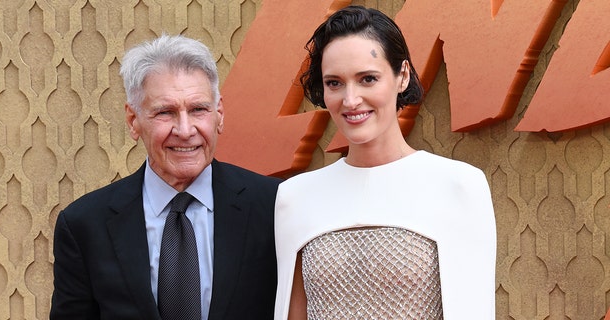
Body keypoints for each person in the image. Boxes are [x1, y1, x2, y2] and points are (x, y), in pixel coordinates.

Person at [274, 6, 497, 320]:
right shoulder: (295, 197)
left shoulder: (459, 186)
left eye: (367, 79)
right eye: (335, 83)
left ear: (402, 75)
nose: (350, 100)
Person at [50, 34, 281, 320]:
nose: (185, 130)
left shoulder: (275, 206)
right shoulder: (84, 225)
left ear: (219, 113)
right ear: (133, 120)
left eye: (198, 109)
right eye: (165, 112)